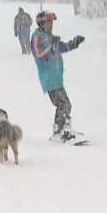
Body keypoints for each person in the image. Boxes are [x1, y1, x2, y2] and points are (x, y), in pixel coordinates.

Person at [30, 10, 86, 143]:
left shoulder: (49, 37)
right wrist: (51, 46)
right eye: (49, 22)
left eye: (52, 22)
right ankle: (62, 131)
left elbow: (62, 47)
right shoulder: (37, 37)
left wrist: (74, 43)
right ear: (42, 23)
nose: (51, 25)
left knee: (63, 104)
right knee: (64, 104)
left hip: (57, 79)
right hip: (49, 79)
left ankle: (60, 130)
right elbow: (39, 53)